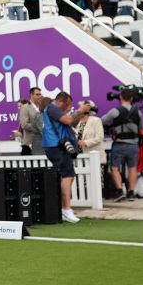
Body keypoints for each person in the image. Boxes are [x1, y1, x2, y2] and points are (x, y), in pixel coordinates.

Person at [42, 92, 89, 223]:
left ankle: (64, 208)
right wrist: (80, 110)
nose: (70, 107)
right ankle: (66, 209)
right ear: (61, 101)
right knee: (68, 175)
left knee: (67, 176)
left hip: (58, 147)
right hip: (56, 146)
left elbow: (70, 124)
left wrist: (81, 114)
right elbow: (68, 120)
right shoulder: (52, 107)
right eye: (68, 104)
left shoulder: (54, 110)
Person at [98, 87, 143, 200]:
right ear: (132, 98)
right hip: (133, 145)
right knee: (132, 168)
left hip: (119, 144)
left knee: (114, 168)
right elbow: (142, 127)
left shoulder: (115, 111)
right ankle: (131, 193)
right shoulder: (138, 112)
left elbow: (102, 121)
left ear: (121, 97)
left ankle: (119, 191)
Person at [16, 87, 44, 155]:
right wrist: (40, 128)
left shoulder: (42, 107)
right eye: (37, 94)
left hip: (42, 143)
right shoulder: (25, 107)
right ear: (31, 95)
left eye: (40, 94)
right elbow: (24, 125)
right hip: (29, 144)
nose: (39, 96)